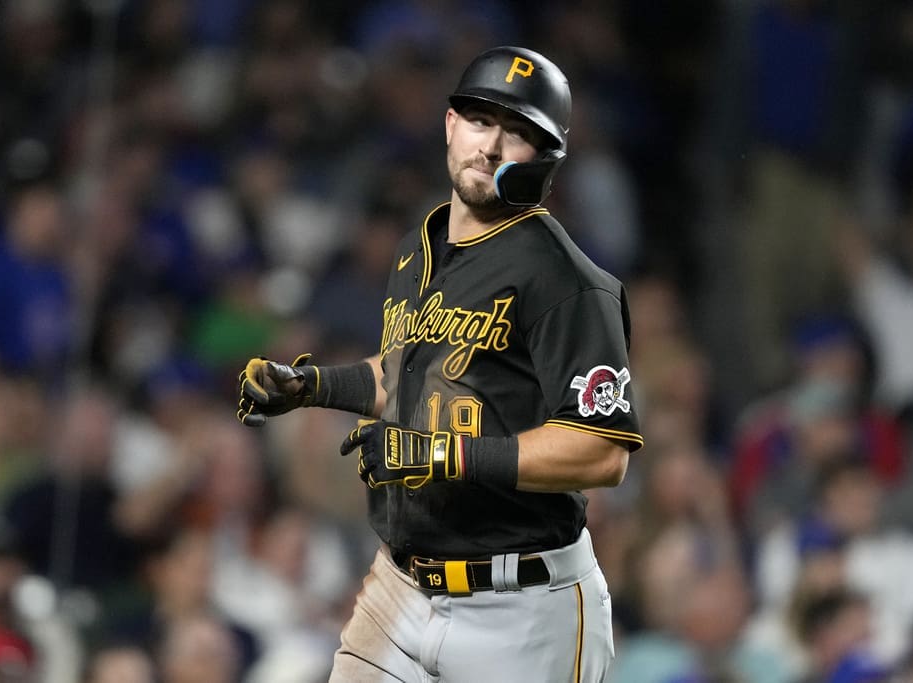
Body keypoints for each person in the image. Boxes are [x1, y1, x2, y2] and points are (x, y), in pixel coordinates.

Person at [236, 45, 644, 682]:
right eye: (481, 122)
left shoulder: (568, 282)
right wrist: (314, 385)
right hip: (401, 584)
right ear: (451, 125)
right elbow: (416, 372)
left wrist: (445, 455)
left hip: (524, 609)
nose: (491, 145)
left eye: (519, 134)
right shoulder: (418, 247)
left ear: (546, 161)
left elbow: (601, 452)